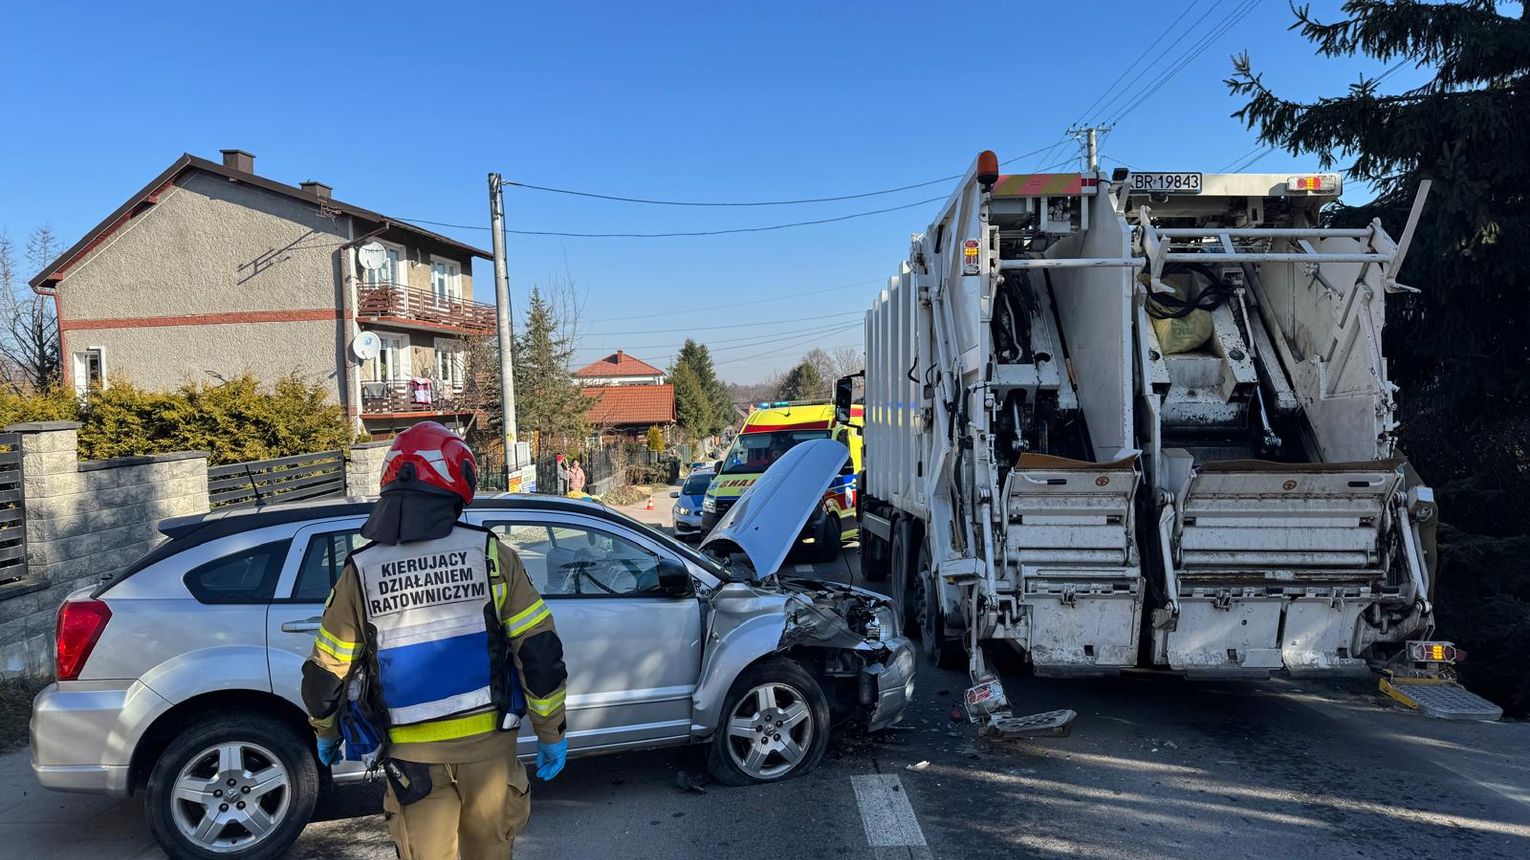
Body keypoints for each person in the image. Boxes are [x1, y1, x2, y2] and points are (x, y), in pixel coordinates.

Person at [301, 421, 568, 860]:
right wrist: (550, 730)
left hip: (411, 762)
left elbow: (325, 673)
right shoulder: (492, 557)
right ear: (457, 480)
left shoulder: (360, 571)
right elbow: (538, 654)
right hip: (490, 753)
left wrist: (325, 731)